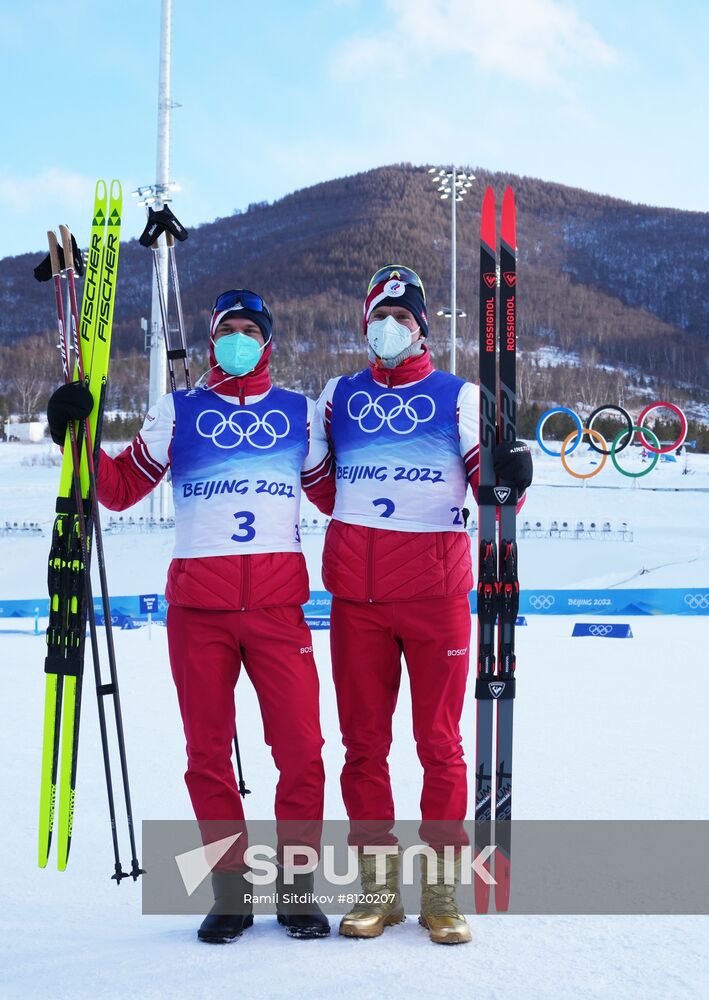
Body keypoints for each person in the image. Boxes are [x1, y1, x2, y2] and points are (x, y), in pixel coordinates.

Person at [47, 289, 335, 943]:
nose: (237, 338)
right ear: (212, 339)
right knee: (206, 755)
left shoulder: (298, 413)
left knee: (301, 751)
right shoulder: (178, 411)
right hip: (198, 613)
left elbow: (339, 494)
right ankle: (230, 890)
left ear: (267, 341)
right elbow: (118, 490)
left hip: (276, 608)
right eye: (227, 328)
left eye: (249, 329)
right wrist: (77, 434)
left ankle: (296, 886)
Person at [317, 265, 532, 945]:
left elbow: (494, 495)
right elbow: (323, 487)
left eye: (404, 318)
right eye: (381, 316)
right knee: (362, 747)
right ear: (364, 323)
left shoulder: (458, 396)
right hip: (357, 600)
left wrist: (513, 475)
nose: (391, 327)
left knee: (438, 745)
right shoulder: (337, 395)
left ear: (421, 329)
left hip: (435, 598)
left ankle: (440, 893)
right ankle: (377, 891)